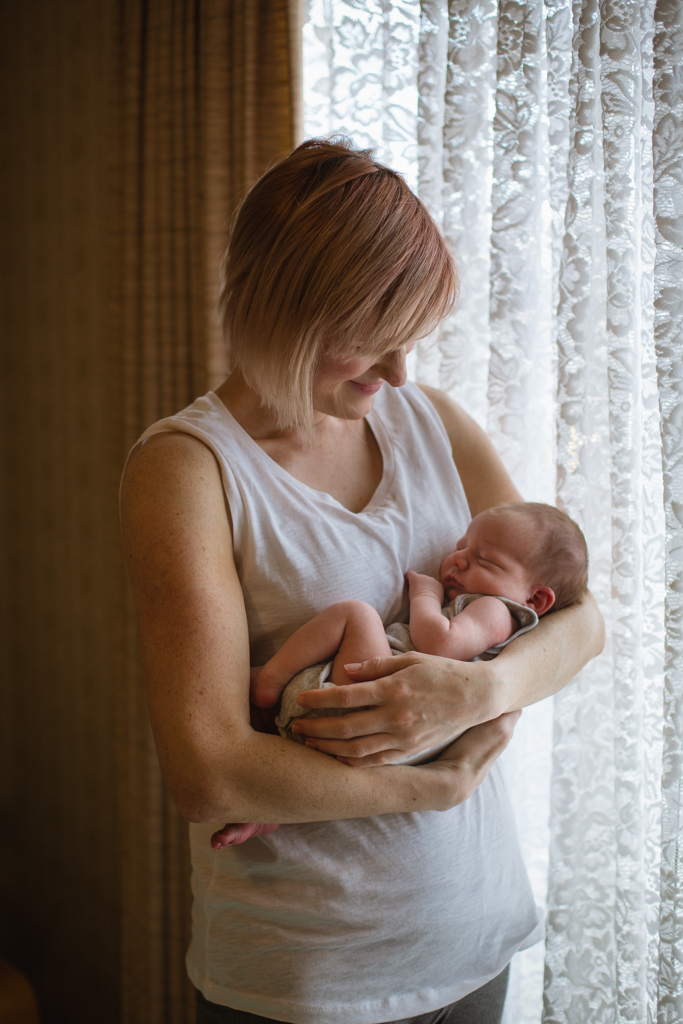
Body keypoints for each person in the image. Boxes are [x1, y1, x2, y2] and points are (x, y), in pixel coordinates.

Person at [120, 138, 604, 1024]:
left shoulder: (430, 423)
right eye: (368, 348)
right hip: (308, 981)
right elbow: (208, 775)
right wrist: (431, 784)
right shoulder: (188, 471)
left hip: (475, 937)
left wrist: (472, 688)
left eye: (410, 343)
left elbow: (578, 621)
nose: (399, 375)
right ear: (280, 312)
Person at [210, 501, 588, 848]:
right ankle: (269, 813)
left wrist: (424, 594)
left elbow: (439, 643)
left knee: (357, 616)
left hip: (374, 706)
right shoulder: (489, 609)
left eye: (484, 560)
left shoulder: (496, 610)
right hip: (382, 740)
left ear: (535, 600)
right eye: (461, 547)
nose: (457, 560)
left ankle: (268, 680)